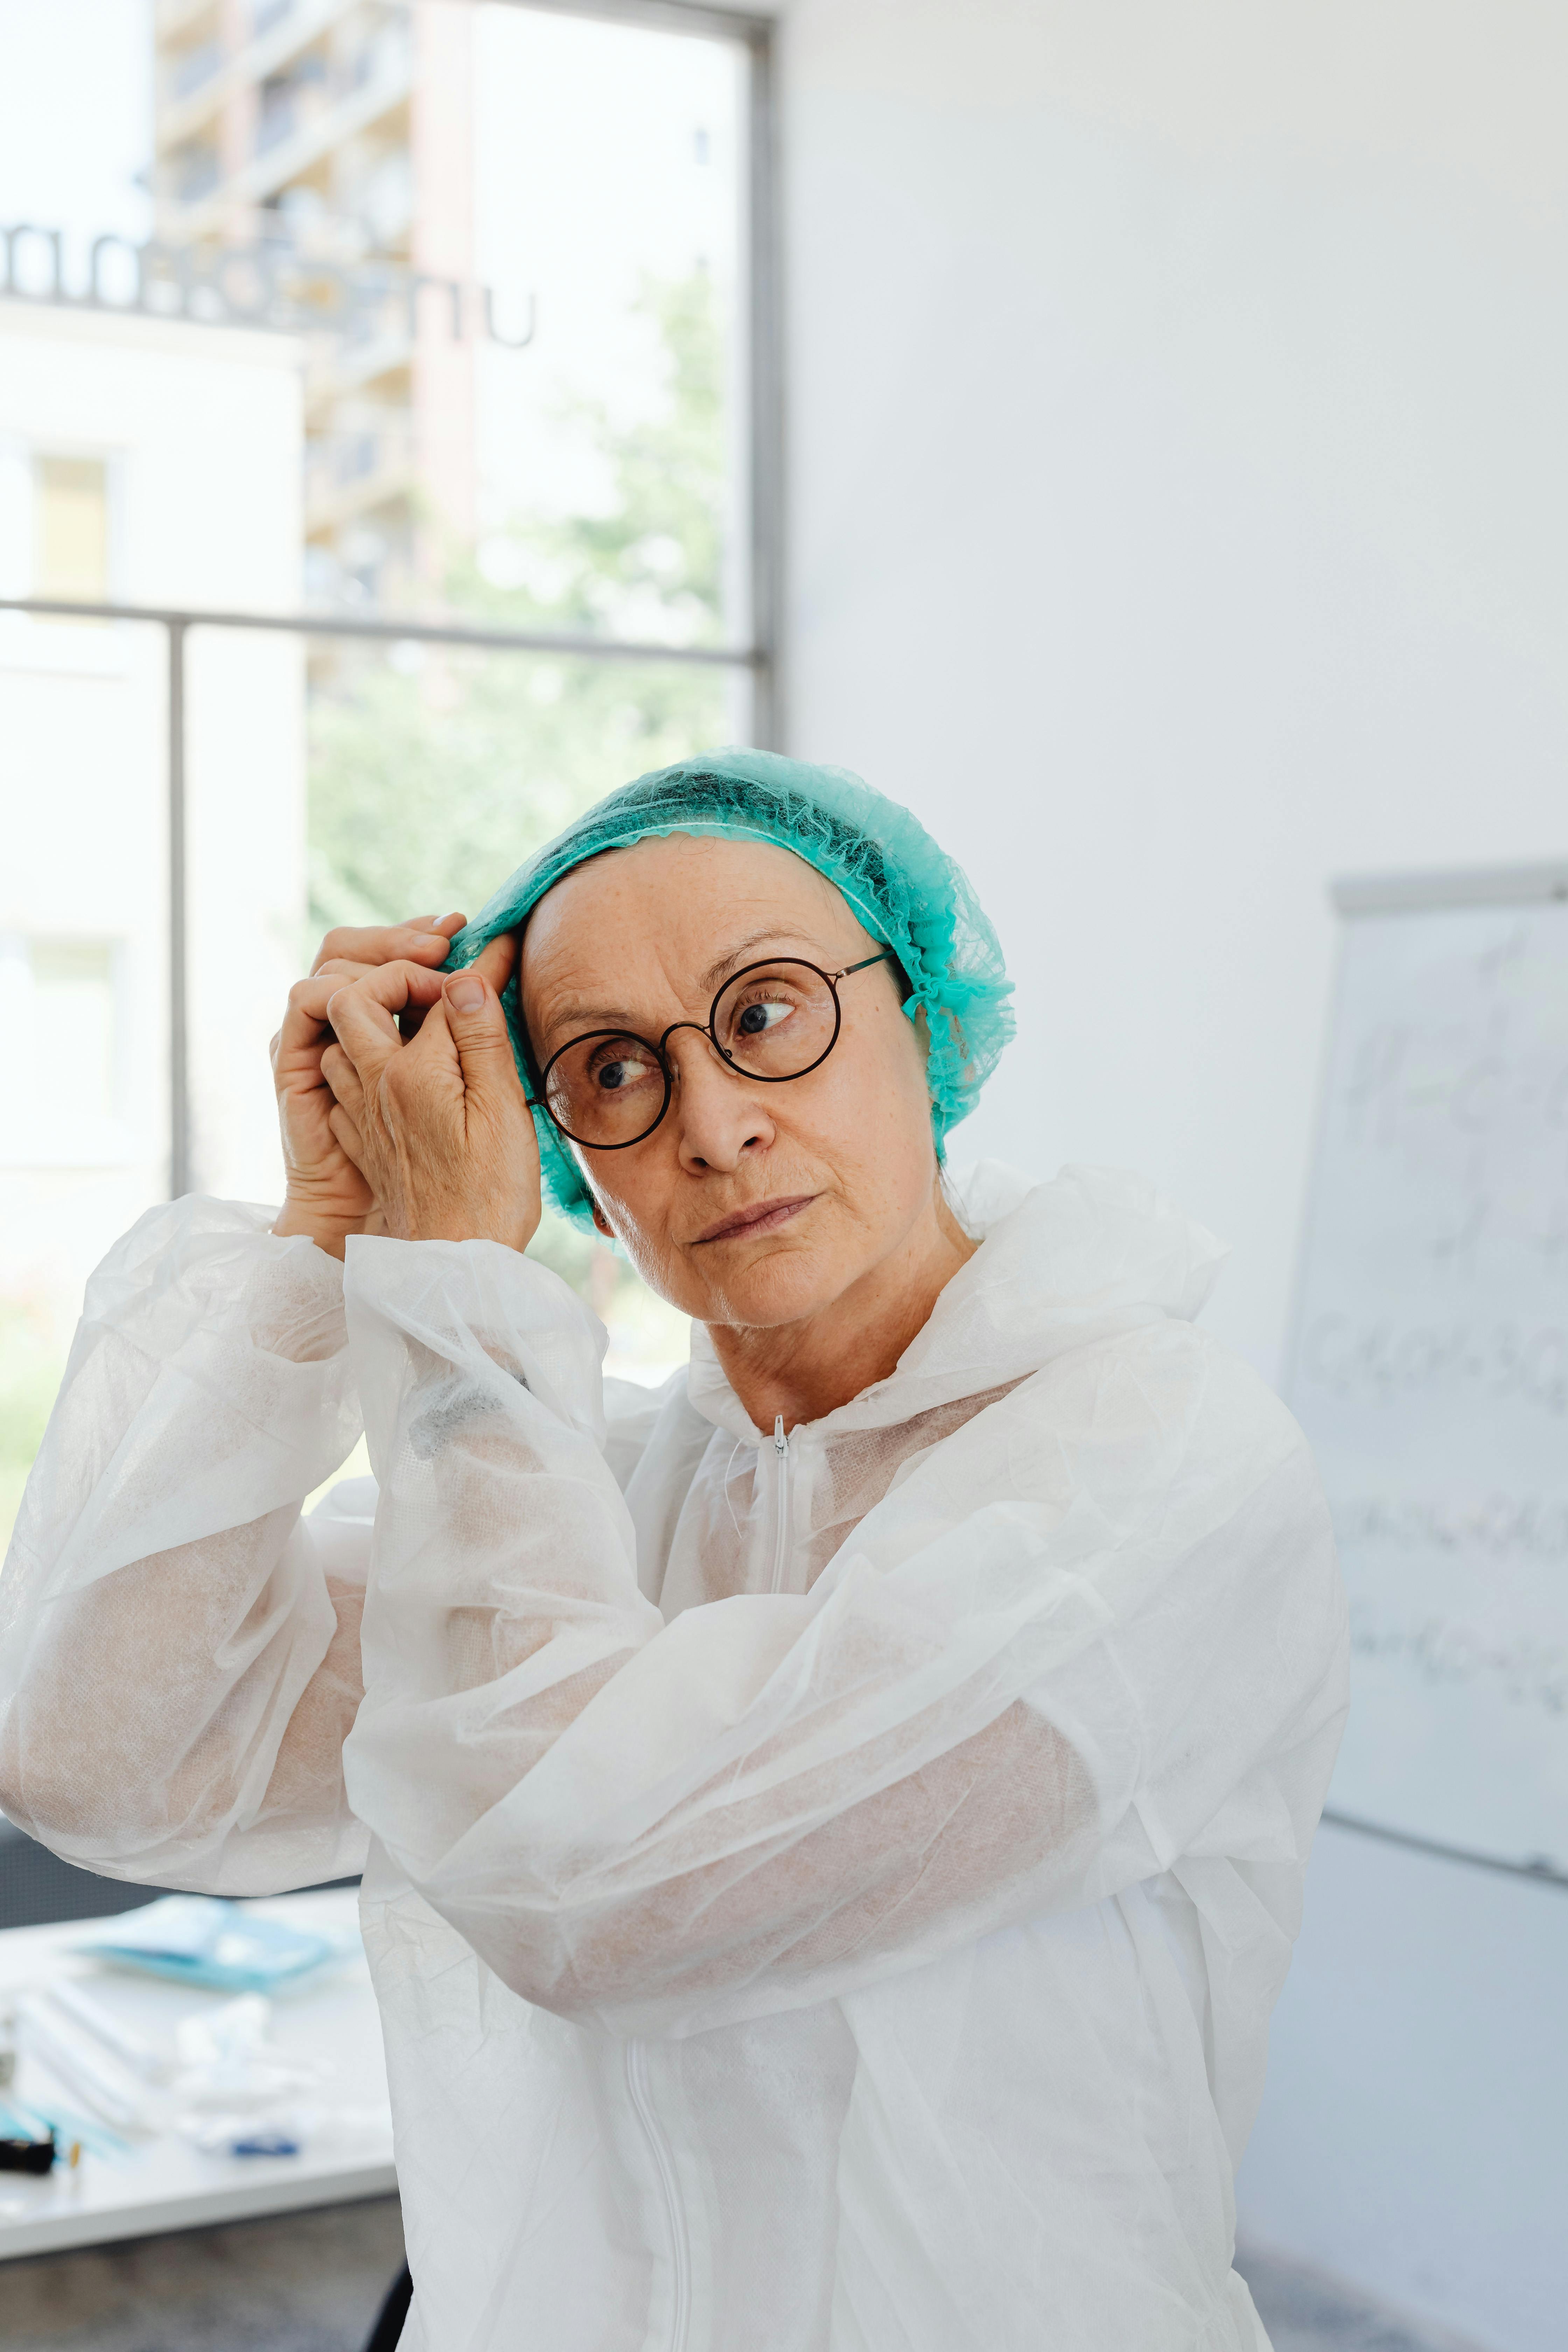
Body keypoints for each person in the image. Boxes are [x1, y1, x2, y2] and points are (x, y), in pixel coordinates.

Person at [0, 750, 1347, 2351]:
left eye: (767, 1012)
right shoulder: (599, 1494)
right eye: (614, 1069)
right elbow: (107, 1755)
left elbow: (600, 1892)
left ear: (918, 1022)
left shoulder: (1148, 1465)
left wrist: (455, 1303)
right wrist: (324, 1242)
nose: (713, 1125)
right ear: (563, 1151)